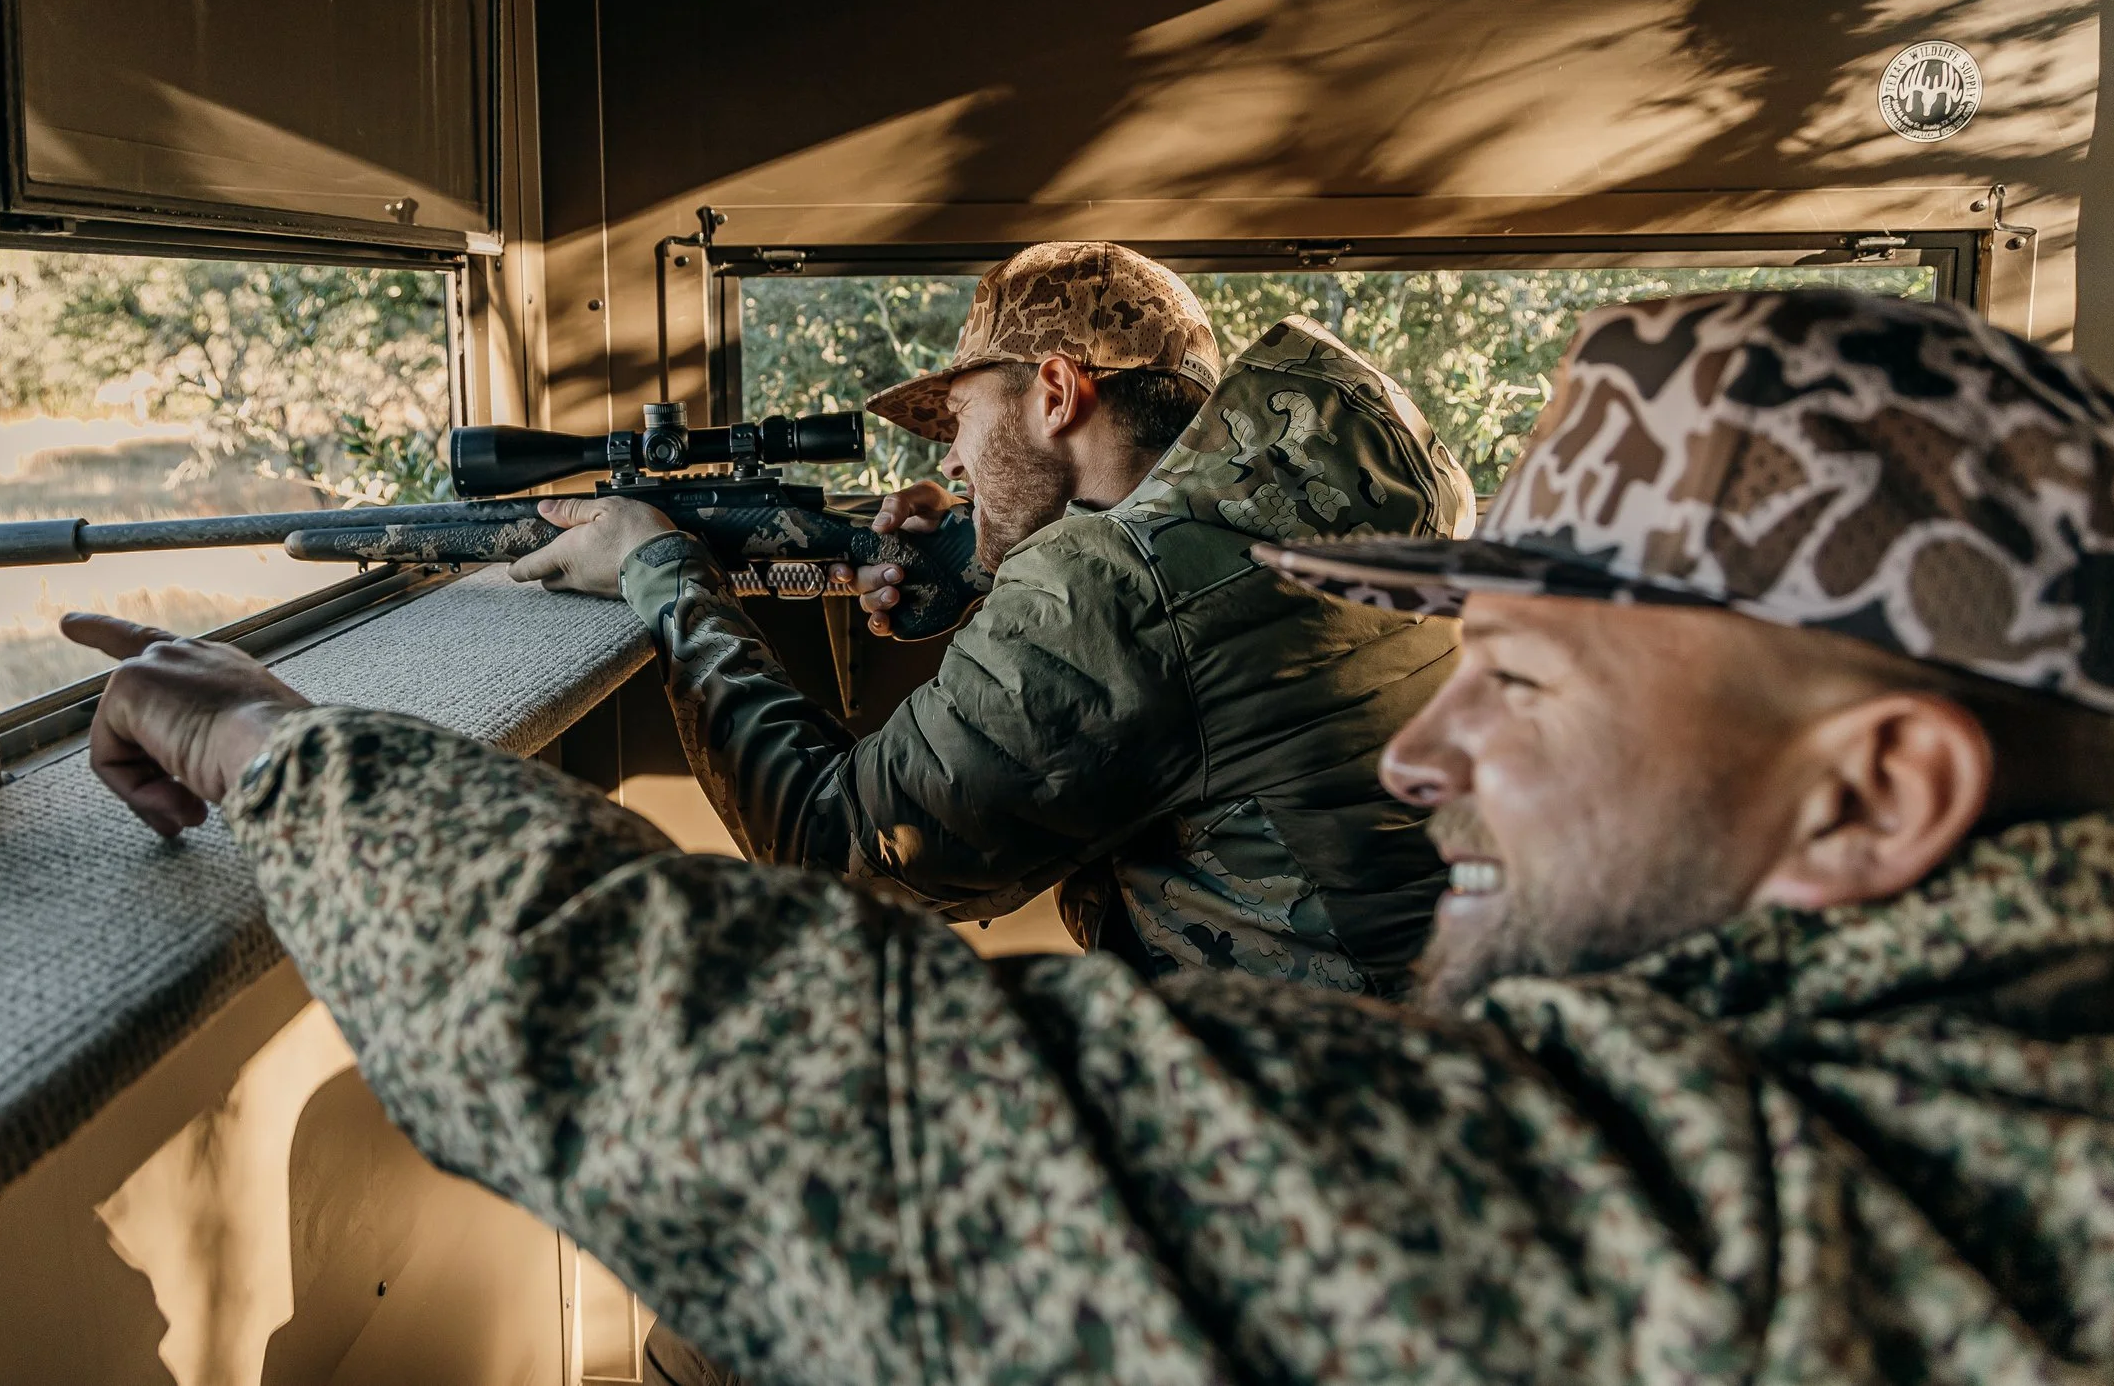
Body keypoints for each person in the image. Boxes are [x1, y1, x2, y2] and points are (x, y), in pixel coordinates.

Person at [65, 286, 2114, 1382]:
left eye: (1515, 678)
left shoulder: (1783, 1233)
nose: (1427, 757)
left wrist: (290, 754)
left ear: (1875, 796)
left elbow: (830, 1075)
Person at [506, 240, 1477, 993]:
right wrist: (986, 564)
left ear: (1054, 391)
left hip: (1294, 1119)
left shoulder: (1114, 583)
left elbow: (830, 847)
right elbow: (1173, 641)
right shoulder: (1297, 518)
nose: (954, 463)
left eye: (963, 418)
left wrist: (660, 568)